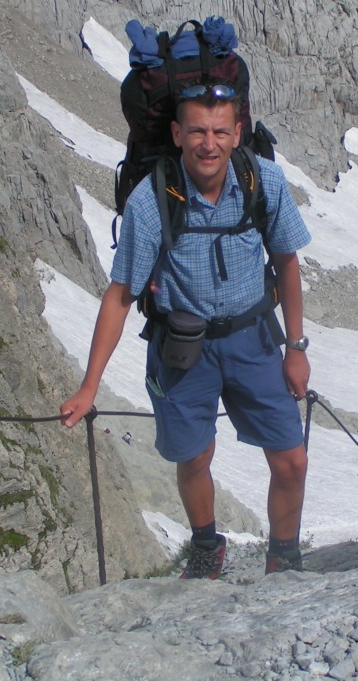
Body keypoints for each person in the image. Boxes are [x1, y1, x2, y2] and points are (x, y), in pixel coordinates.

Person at [60, 81, 312, 579]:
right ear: (177, 134)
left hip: (254, 339)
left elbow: (287, 262)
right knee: (194, 457)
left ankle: (284, 558)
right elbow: (120, 295)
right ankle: (205, 548)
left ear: (237, 133)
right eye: (197, 131)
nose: (208, 144)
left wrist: (296, 347)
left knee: (292, 460)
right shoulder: (152, 199)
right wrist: (89, 387)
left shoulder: (264, 180)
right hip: (182, 350)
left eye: (219, 131)